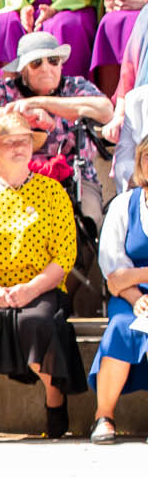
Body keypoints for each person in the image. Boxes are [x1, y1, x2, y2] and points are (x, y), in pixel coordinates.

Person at [0, 110, 89, 439]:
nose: (18, 147)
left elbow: (65, 255)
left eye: (24, 141)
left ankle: (55, 404)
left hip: (42, 286)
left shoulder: (53, 192)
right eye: (9, 142)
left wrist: (31, 289)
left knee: (36, 321)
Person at [0, 29, 113, 210]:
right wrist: (16, 113)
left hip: (72, 180)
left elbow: (105, 110)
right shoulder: (4, 90)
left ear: (61, 65)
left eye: (53, 60)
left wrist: (40, 102)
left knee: (91, 215)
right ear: (23, 69)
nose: (46, 68)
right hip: (9, 179)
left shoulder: (75, 86)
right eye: (36, 63)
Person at [89, 140, 148, 441]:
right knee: (122, 326)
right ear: (140, 163)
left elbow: (124, 274)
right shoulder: (124, 205)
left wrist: (134, 275)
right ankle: (104, 416)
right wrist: (137, 298)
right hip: (129, 295)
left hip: (132, 283)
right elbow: (114, 276)